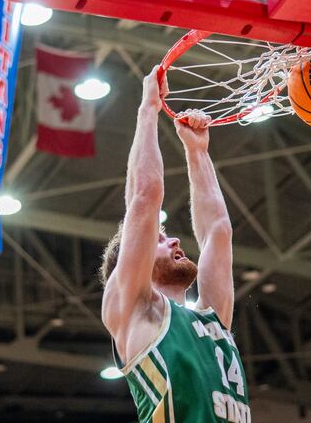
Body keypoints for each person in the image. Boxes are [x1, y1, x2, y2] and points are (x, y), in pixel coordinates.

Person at [100, 66, 251, 423]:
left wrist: (197, 152)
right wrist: (149, 108)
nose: (174, 239)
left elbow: (218, 231)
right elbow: (144, 197)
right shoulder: (134, 310)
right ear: (132, 262)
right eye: (160, 238)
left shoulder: (213, 320)